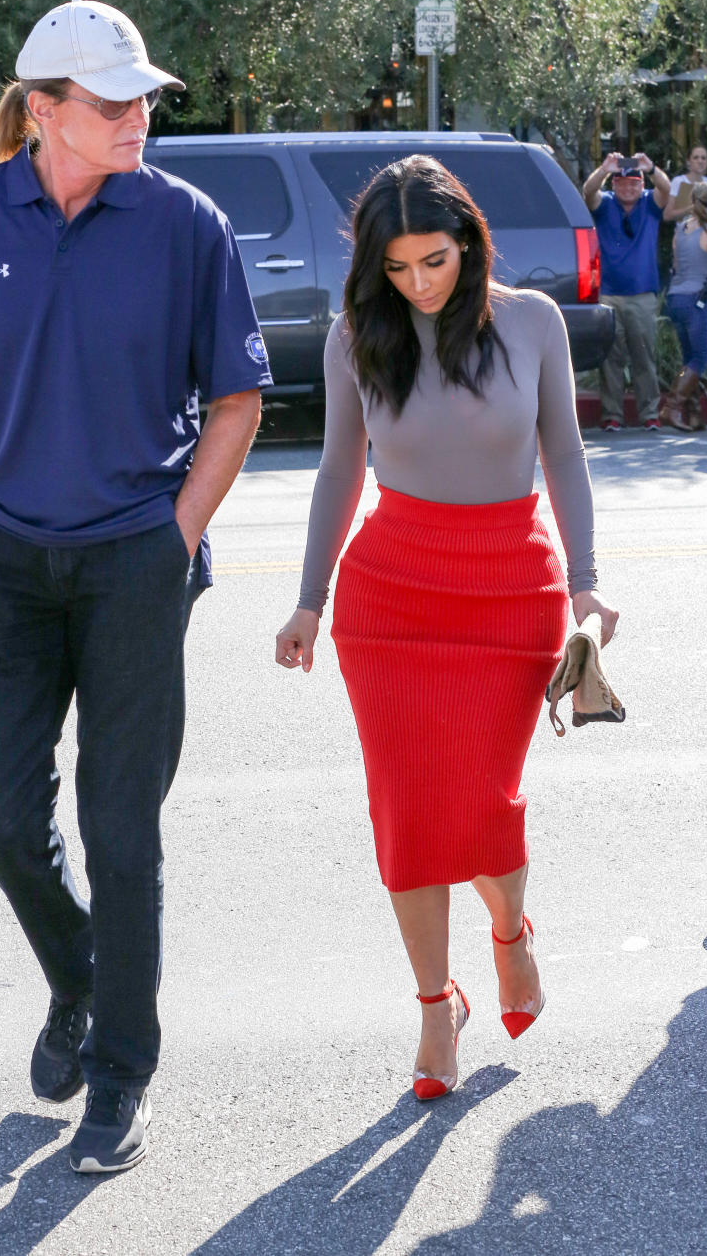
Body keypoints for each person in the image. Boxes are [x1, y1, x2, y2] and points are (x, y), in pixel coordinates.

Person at [0, 0, 270, 1174]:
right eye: (111, 104)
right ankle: (81, 980)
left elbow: (240, 398)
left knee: (122, 829)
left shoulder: (186, 223)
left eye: (142, 101)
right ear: (43, 113)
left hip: (132, 561)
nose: (137, 120)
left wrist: (175, 536)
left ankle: (121, 1075)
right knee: (1, 818)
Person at [275, 156, 618, 1102]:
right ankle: (436, 1005)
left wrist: (587, 587)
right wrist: (309, 598)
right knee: (410, 813)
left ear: (468, 240)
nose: (419, 283)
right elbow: (340, 472)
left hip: (512, 589)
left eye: (434, 260)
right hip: (392, 599)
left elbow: (567, 458)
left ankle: (511, 930)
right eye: (397, 268)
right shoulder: (358, 336)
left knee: (484, 806)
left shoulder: (534, 322)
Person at [582, 152, 670, 431]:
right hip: (608, 293)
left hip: (642, 294)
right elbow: (588, 191)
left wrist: (651, 167)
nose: (628, 188)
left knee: (644, 355)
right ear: (615, 185)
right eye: (622, 183)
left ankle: (649, 414)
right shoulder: (605, 204)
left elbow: (667, 189)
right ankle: (612, 415)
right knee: (611, 357)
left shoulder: (650, 204)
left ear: (642, 185)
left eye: (634, 183)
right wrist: (605, 169)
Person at [660, 182, 707, 432]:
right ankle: (672, 408)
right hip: (696, 300)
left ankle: (693, 414)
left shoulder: (680, 228)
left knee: (689, 357)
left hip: (676, 297)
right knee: (703, 357)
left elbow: (677, 264)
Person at [663, 145, 707, 225]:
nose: (700, 161)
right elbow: (667, 215)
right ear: (688, 161)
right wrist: (689, 209)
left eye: (703, 158)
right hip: (684, 232)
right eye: (696, 157)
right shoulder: (679, 181)